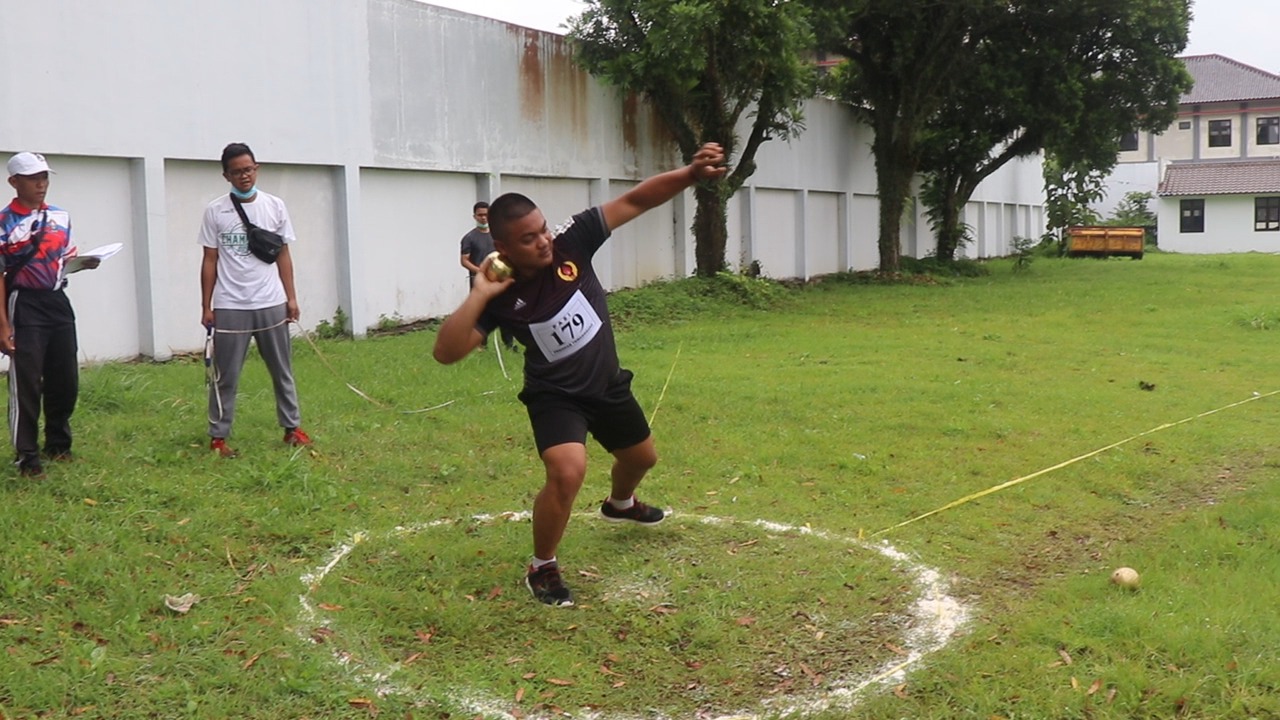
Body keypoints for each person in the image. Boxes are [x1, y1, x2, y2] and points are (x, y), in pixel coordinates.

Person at [433, 142, 727, 606]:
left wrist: (690, 174)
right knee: (568, 471)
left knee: (642, 459)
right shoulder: (501, 296)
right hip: (556, 397)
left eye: (542, 229)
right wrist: (478, 294)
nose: (543, 240)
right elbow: (445, 353)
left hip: (607, 385)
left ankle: (620, 505)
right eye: (528, 239)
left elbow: (634, 200)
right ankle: (542, 565)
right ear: (503, 247)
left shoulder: (573, 242)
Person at [199, 142, 311, 458]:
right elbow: (209, 260)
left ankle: (292, 428)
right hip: (230, 304)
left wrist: (291, 298)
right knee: (226, 374)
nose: (244, 176)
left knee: (282, 369)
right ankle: (218, 437)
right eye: (236, 172)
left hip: (271, 301)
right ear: (226, 176)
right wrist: (206, 306)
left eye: (248, 169)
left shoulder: (275, 206)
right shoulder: (215, 210)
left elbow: (284, 254)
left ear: (256, 168)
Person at [0, 152, 101, 478]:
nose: (41, 184)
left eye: (44, 177)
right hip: (24, 303)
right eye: (33, 178)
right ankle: (27, 457)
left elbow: (64, 260)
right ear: (14, 182)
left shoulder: (60, 217)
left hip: (58, 301)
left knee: (65, 377)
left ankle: (58, 444)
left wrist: (85, 262)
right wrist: (3, 325)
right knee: (27, 382)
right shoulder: (4, 223)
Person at [459, 201, 515, 351]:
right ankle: (481, 346)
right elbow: (464, 260)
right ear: (474, 216)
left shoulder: (499, 235)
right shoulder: (469, 238)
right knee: (481, 313)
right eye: (480, 215)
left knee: (506, 311)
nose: (483, 218)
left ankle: (509, 345)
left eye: (486, 215)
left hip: (500, 281)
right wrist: (480, 271)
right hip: (480, 282)